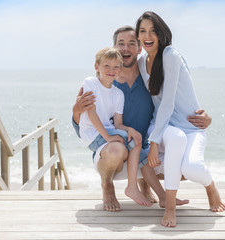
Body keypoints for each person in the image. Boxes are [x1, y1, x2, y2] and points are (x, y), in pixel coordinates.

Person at [72, 26, 212, 212]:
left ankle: (150, 187)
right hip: (114, 147)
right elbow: (84, 125)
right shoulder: (100, 81)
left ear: (139, 48)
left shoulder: (149, 75)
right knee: (118, 148)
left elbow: (172, 102)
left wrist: (203, 118)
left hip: (141, 143)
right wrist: (75, 111)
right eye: (120, 44)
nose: (126, 48)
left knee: (182, 163)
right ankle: (108, 187)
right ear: (114, 47)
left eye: (132, 44)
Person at [136, 11, 225, 227]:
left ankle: (211, 186)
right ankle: (169, 207)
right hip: (163, 126)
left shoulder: (171, 56)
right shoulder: (140, 61)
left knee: (192, 168)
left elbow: (168, 101)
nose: (148, 35)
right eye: (142, 31)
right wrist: (155, 138)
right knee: (175, 140)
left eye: (153, 31)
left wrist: (155, 142)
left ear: (161, 34)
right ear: (138, 36)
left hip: (191, 126)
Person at [79, 47, 153, 207]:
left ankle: (137, 187)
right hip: (93, 134)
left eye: (116, 67)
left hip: (109, 130)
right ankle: (125, 187)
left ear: (120, 69)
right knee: (127, 145)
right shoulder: (90, 83)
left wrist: (130, 130)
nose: (111, 70)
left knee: (136, 139)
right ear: (96, 67)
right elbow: (91, 114)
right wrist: (109, 137)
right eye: (106, 66)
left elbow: (118, 124)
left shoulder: (118, 94)